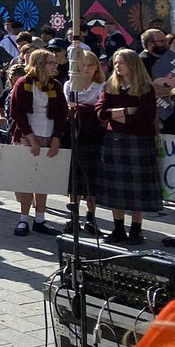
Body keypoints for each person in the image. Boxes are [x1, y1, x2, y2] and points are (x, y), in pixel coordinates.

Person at [96, 48, 161, 245]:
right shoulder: (110, 86)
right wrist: (125, 111)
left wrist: (116, 117)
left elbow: (145, 118)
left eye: (121, 62)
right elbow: (100, 112)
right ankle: (118, 229)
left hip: (139, 142)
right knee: (116, 187)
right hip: (115, 141)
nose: (117, 66)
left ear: (132, 64)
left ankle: (136, 230)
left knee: (137, 188)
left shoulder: (145, 88)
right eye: (115, 62)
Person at [9, 48, 68, 236]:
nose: (55, 65)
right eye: (51, 62)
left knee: (43, 179)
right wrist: (31, 139)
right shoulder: (23, 83)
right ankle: (24, 219)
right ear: (40, 64)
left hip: (49, 135)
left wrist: (56, 138)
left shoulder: (55, 85)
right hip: (27, 136)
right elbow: (16, 113)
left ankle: (40, 218)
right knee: (26, 179)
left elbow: (62, 113)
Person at [64, 49, 105, 236]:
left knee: (91, 178)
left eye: (90, 65)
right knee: (73, 179)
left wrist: (81, 109)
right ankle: (73, 217)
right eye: (83, 65)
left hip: (93, 137)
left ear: (97, 67)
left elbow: (100, 110)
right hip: (74, 136)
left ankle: (91, 216)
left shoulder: (102, 86)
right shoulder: (69, 85)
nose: (86, 68)